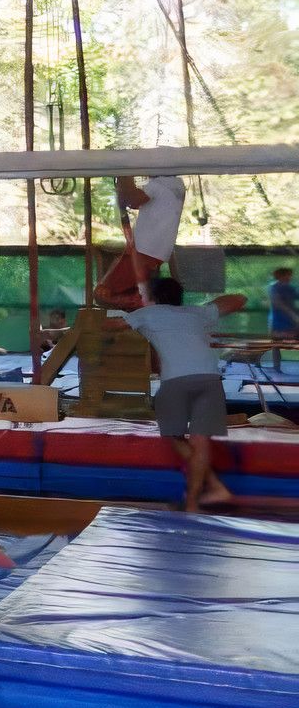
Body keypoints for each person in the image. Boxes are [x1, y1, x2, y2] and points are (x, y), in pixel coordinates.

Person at [115, 277, 243, 511]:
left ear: (151, 298)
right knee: (200, 441)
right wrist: (210, 307)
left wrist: (123, 303)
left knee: (174, 437)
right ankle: (200, 499)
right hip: (210, 378)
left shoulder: (146, 313)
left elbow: (109, 327)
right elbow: (239, 299)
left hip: (177, 380)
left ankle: (210, 488)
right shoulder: (197, 313)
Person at [94, 175, 185, 310]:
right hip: (153, 252)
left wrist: (126, 173)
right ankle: (142, 305)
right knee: (107, 294)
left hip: (144, 252)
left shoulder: (161, 184)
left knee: (102, 294)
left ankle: (142, 305)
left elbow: (130, 199)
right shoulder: (176, 184)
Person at [267, 266, 297, 340]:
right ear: (281, 276)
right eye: (288, 275)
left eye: (290, 275)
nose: (290, 277)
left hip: (292, 320)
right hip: (279, 319)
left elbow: (296, 295)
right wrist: (292, 314)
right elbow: (278, 303)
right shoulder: (273, 287)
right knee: (276, 341)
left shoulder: (290, 288)